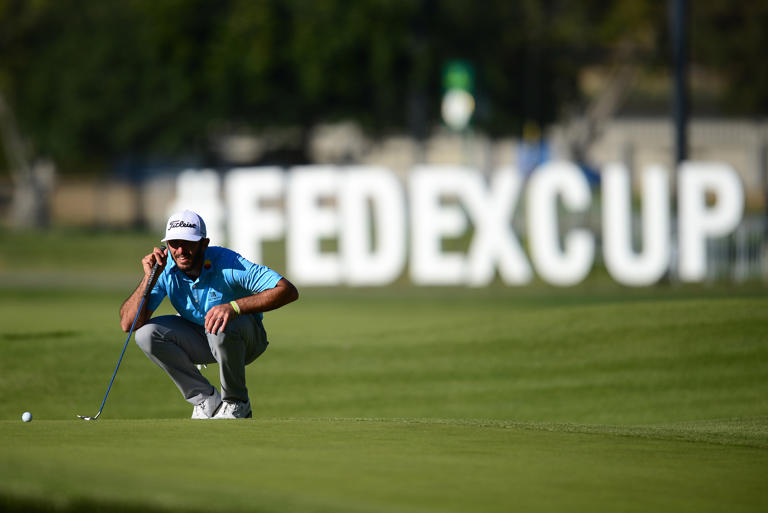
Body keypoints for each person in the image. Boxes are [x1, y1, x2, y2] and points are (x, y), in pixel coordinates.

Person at [120, 209, 299, 419]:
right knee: (146, 334)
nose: (180, 250)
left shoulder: (228, 263)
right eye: (174, 243)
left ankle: (237, 403)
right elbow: (128, 324)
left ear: (204, 244)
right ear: (166, 246)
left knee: (218, 322)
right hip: (203, 337)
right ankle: (205, 399)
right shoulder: (164, 269)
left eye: (188, 243)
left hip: (246, 339)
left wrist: (234, 307)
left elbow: (287, 290)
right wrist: (148, 279)